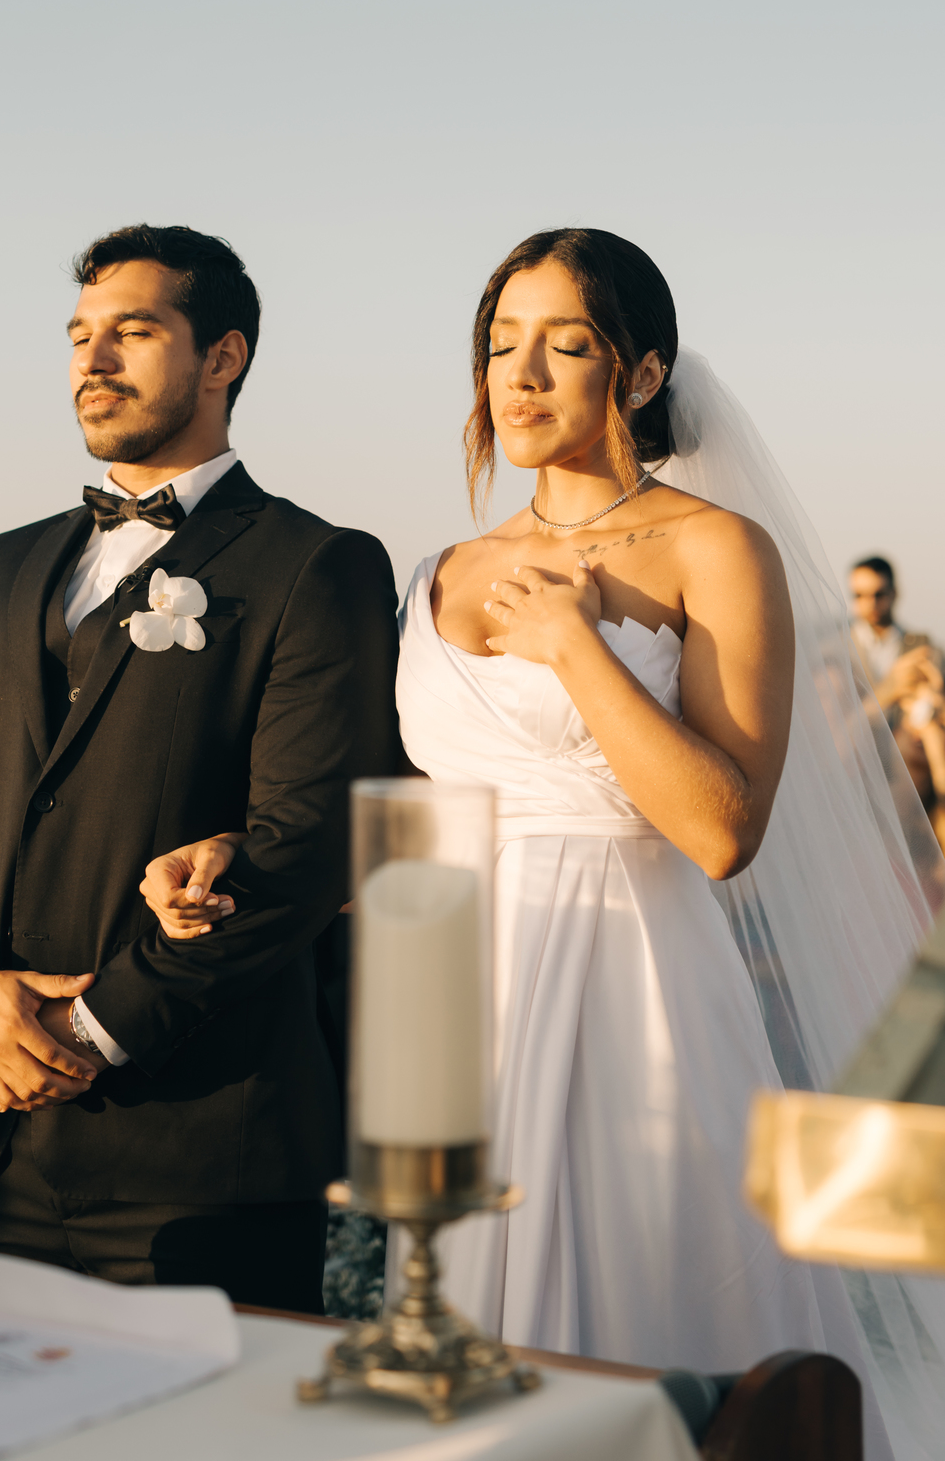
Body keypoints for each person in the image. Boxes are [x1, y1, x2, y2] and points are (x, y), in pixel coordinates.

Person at [156, 228, 945, 1458]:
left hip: (640, 987)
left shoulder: (713, 549)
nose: (516, 377)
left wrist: (579, 650)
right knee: (468, 1360)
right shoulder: (438, 571)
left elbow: (724, 830)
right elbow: (420, 824)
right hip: (462, 1005)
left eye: (563, 345)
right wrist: (238, 857)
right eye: (497, 345)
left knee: (650, 1325)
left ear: (637, 375)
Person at [0, 221, 400, 1311]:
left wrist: (84, 1028)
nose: (92, 359)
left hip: (207, 1157)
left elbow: (305, 845)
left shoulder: (319, 565)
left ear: (224, 357)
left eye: (132, 331)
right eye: (79, 335)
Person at [849, 555, 940, 720]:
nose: (870, 604)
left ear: (894, 593)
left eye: (879, 594)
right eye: (859, 595)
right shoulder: (835, 650)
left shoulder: (921, 646)